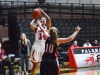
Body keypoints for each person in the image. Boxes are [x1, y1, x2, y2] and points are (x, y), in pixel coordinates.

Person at [29, 7, 51, 75]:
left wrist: (43, 12)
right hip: (36, 46)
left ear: (45, 22)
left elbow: (49, 19)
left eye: (44, 20)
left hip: (44, 47)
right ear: (40, 21)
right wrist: (35, 18)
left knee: (43, 65)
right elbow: (30, 24)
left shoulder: (47, 29)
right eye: (42, 19)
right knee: (35, 65)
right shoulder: (36, 28)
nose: (43, 20)